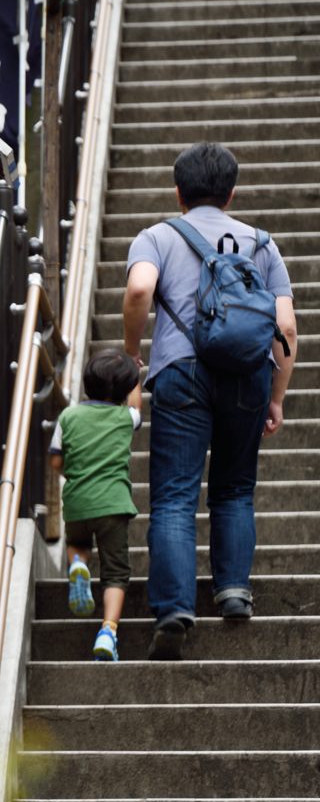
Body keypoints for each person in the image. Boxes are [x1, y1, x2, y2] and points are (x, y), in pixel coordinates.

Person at [123, 142, 298, 660]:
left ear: (178, 191)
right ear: (232, 192)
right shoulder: (262, 244)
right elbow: (285, 326)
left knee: (176, 495)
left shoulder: (157, 236)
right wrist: (278, 398)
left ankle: (175, 608)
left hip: (181, 372)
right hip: (248, 375)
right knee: (235, 488)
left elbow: (138, 291)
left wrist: (134, 354)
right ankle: (234, 592)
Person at [50, 348, 142, 662]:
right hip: (113, 504)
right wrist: (136, 376)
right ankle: (108, 630)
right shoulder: (125, 417)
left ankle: (77, 566)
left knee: (77, 543)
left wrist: (73, 473)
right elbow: (136, 405)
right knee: (116, 574)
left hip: (77, 500)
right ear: (126, 391)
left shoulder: (68, 416)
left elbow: (56, 460)